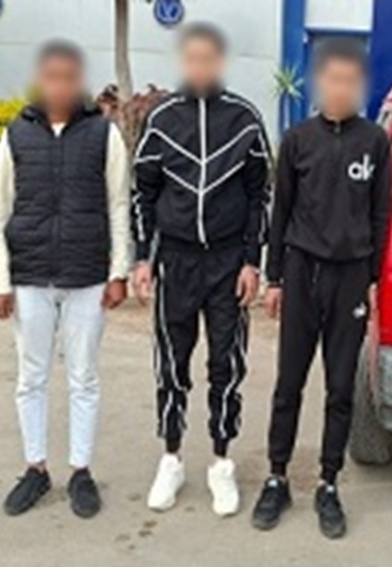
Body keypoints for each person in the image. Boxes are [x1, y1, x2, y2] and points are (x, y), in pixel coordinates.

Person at [251, 38, 392, 539]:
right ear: (319, 83)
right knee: (288, 383)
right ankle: (277, 477)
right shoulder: (297, 141)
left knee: (340, 388)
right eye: (334, 79)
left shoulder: (375, 142)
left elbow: (381, 215)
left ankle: (328, 483)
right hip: (301, 272)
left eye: (351, 81)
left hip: (351, 277)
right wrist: (274, 278)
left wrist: (373, 279)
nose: (341, 88)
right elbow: (281, 212)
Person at [131, 22, 271, 517]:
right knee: (172, 362)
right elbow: (143, 191)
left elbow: (260, 195)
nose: (200, 68)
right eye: (193, 59)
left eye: (209, 59)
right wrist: (143, 257)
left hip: (228, 261)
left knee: (226, 365)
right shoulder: (162, 120)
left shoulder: (245, 121)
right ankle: (171, 457)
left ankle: (220, 462)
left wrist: (253, 261)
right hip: (176, 260)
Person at [0, 40, 130, 519]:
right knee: (31, 377)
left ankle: (80, 471)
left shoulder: (104, 134)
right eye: (52, 77)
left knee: (83, 376)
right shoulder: (16, 135)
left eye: (70, 77)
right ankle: (35, 468)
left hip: (87, 276)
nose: (61, 86)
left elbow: (118, 205)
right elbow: (0, 211)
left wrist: (118, 271)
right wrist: (0, 280)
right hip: (29, 276)